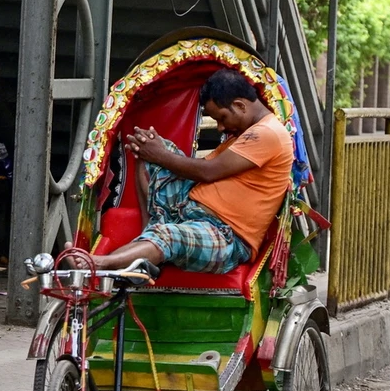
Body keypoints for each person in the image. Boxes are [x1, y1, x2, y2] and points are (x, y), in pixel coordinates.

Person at [69, 68, 294, 274]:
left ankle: (98, 263)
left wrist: (160, 155)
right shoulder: (247, 133)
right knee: (149, 145)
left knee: (167, 230)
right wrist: (155, 151)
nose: (220, 128)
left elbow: (208, 172)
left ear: (240, 106)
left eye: (222, 118)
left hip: (226, 237)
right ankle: (150, 235)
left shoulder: (268, 133)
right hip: (187, 210)